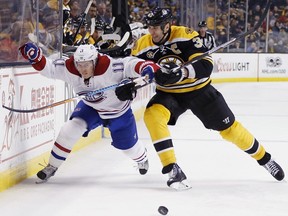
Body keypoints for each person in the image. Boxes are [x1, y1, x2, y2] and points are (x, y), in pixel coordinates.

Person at [115, 7, 285, 190]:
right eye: (150, 27)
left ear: (167, 25)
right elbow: (132, 69)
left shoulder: (185, 35)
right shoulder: (143, 43)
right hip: (169, 95)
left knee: (230, 130)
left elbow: (206, 65)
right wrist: (129, 84)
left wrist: (182, 73)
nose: (152, 31)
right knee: (152, 115)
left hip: (199, 90)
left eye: (156, 27)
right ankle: (172, 168)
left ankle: (265, 158)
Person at [19, 43, 161, 182]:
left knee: (129, 148)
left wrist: (148, 70)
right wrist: (36, 58)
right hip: (91, 107)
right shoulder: (70, 68)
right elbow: (50, 68)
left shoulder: (111, 67)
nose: (82, 69)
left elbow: (134, 64)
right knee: (70, 129)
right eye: (79, 65)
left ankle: (142, 158)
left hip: (118, 112)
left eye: (86, 64)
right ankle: (52, 166)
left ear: (94, 61)